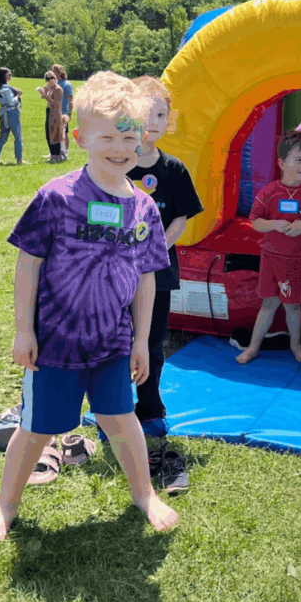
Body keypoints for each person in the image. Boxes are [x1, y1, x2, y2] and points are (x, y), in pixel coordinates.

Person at [0, 71, 178, 542]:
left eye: (129, 136)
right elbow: (28, 263)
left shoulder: (144, 209)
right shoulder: (57, 197)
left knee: (123, 422)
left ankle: (144, 493)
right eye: (107, 135)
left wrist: (144, 341)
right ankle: (5, 503)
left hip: (112, 344)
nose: (119, 146)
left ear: (142, 138)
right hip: (54, 345)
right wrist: (23, 331)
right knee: (36, 428)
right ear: (80, 135)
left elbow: (146, 279)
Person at [126, 75, 203, 437]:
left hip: (157, 272)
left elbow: (181, 217)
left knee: (152, 340)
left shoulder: (174, 170)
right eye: (146, 114)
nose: (153, 122)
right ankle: (114, 408)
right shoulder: (117, 164)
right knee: (115, 340)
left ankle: (150, 407)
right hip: (115, 271)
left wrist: (156, 248)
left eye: (161, 115)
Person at [236, 132, 301, 365]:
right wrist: (274, 224)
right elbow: (255, 222)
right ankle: (253, 347)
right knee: (269, 303)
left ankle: (295, 345)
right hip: (270, 257)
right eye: (298, 160)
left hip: (296, 260)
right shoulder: (269, 192)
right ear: (281, 163)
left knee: (292, 305)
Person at [0, 67, 24, 164]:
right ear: (5, 76)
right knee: (18, 136)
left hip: (3, 113)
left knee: (2, 136)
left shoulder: (0, 87)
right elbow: (11, 102)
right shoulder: (5, 88)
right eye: (9, 75)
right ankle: (19, 160)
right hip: (11, 113)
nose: (11, 76)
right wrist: (18, 95)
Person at [37, 71, 67, 163]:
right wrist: (44, 89)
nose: (50, 80)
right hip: (49, 111)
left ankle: (56, 156)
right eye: (47, 79)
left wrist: (45, 95)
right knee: (48, 133)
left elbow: (55, 103)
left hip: (55, 113)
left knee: (55, 134)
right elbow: (44, 96)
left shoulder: (58, 89)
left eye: (52, 78)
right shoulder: (51, 88)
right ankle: (52, 155)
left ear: (55, 78)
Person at [54, 63, 74, 157]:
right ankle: (55, 152)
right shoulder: (54, 84)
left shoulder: (67, 84)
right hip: (54, 111)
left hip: (63, 112)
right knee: (55, 132)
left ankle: (65, 152)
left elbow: (70, 100)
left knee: (64, 133)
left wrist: (69, 113)